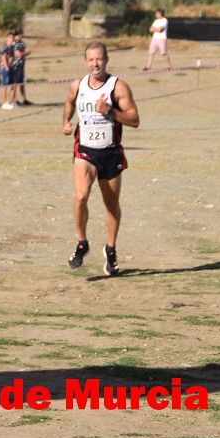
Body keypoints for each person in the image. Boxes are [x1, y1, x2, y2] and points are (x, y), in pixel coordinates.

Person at [62, 41, 140, 276]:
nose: (95, 63)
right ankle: (82, 243)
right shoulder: (78, 85)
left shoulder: (118, 87)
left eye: (99, 59)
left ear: (106, 60)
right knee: (80, 196)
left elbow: (135, 119)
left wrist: (110, 112)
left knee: (111, 205)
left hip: (110, 151)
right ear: (85, 61)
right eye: (91, 59)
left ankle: (111, 249)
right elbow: (69, 103)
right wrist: (66, 121)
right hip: (85, 149)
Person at [13, 29, 32, 105]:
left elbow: (28, 51)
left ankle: (24, 99)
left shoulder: (22, 42)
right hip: (15, 65)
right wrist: (24, 53)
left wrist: (22, 53)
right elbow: (17, 54)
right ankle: (14, 99)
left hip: (21, 65)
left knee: (22, 83)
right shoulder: (14, 43)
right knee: (15, 83)